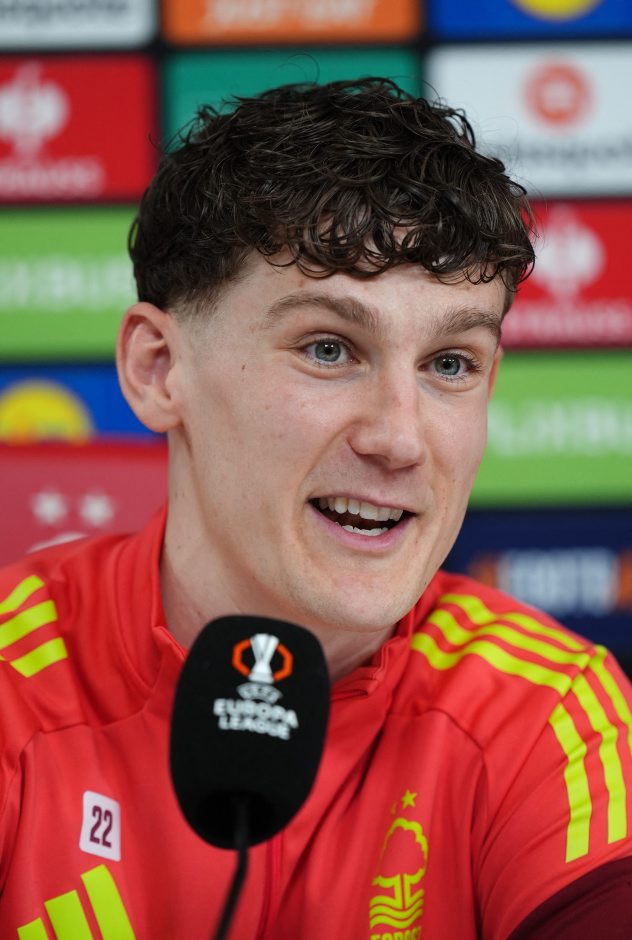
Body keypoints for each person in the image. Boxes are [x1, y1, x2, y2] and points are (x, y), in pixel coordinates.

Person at [0, 77, 630, 940]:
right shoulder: (12, 684)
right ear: (158, 370)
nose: (399, 438)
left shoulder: (549, 712)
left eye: (450, 363)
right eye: (330, 349)